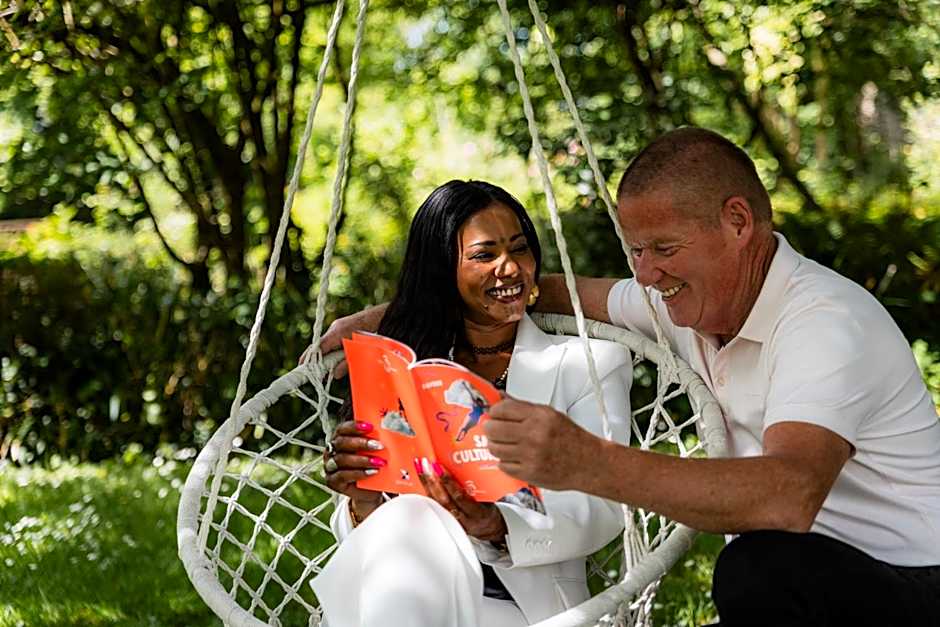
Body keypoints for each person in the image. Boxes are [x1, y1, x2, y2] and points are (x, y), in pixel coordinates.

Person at [481, 127, 940, 626]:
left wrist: (589, 462)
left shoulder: (824, 320)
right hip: (809, 594)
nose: (646, 274)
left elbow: (787, 495)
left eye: (663, 247)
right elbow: (557, 292)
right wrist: (406, 311)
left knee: (757, 568)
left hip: (916, 582)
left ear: (737, 222)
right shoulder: (690, 304)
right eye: (636, 251)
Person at [309, 179, 633, 627]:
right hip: (405, 587)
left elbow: (607, 504)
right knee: (406, 522)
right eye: (484, 255)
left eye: (520, 250)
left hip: (522, 606)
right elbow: (370, 540)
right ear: (444, 270)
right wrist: (361, 498)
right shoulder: (402, 370)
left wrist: (494, 523)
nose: (511, 268)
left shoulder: (589, 365)